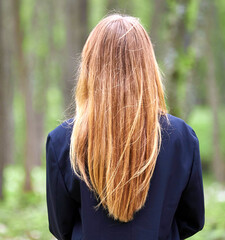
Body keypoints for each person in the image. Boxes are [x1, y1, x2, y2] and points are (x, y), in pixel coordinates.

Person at [46, 14, 204, 240]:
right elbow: (192, 220)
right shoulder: (181, 137)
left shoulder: (63, 140)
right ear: (148, 65)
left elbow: (60, 226)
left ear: (90, 66)